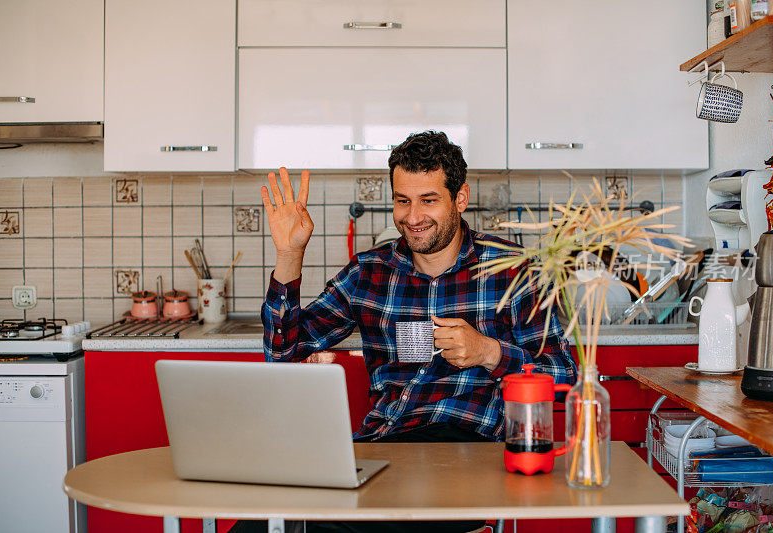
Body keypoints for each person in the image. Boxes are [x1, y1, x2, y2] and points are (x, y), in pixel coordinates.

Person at [232, 131, 575, 533]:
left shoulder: (515, 270)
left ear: (459, 198)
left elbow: (564, 373)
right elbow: (283, 353)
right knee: (262, 523)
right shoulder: (368, 272)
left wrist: (489, 352)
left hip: (466, 453)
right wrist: (289, 255)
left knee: (322, 526)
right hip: (381, 446)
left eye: (428, 200)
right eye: (402, 201)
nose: (412, 217)